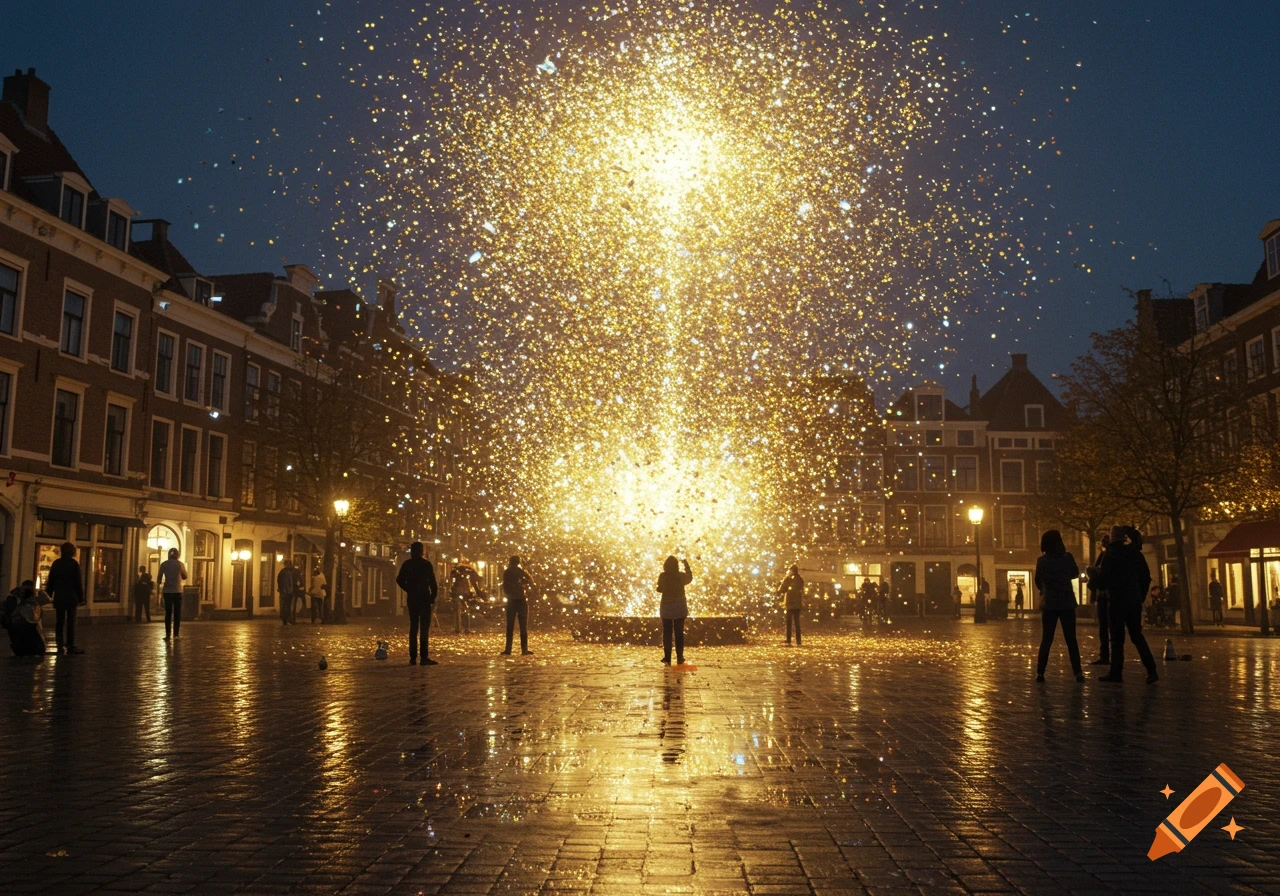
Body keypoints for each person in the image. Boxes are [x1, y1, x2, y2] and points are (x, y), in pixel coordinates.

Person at [1096, 526, 1158, 684]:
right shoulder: (1135, 554)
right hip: (1133, 600)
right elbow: (1145, 577)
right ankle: (1152, 670)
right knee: (1137, 635)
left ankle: (1116, 672)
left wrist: (1096, 579)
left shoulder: (1110, 555)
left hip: (1116, 600)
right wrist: (1140, 596)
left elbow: (1102, 582)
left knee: (1117, 639)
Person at [1034, 530, 1085, 682]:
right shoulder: (1067, 557)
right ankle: (1078, 672)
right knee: (1071, 639)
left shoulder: (1042, 561)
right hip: (1066, 602)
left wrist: (1046, 588)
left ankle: (1040, 672)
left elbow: (1038, 581)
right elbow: (1075, 573)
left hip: (1049, 603)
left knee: (1047, 639)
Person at [396, 542, 438, 665]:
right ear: (422, 551)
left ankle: (413, 656)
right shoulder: (426, 564)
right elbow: (432, 582)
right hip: (424, 597)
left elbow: (399, 579)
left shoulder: (407, 564)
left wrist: (408, 588)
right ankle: (424, 657)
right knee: (424, 627)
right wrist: (432, 597)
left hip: (412, 598)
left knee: (413, 627)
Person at [46, 542, 85, 655]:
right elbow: (78, 582)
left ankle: (59, 644)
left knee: (59, 621)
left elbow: (51, 581)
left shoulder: (56, 563)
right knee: (71, 621)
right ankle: (70, 645)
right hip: (71, 597)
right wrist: (81, 597)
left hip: (59, 596)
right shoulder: (74, 564)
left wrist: (49, 594)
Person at [657, 555, 692, 665]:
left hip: (667, 607)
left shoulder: (663, 576)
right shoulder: (680, 576)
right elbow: (689, 578)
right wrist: (686, 564)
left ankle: (667, 657)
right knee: (679, 633)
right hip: (679, 606)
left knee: (667, 632)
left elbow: (660, 588)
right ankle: (680, 657)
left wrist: (661, 588)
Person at [2, 580, 50, 657]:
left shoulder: (32, 600)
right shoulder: (15, 598)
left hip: (25, 625)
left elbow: (46, 600)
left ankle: (27, 649)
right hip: (19, 625)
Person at [501, 556, 534, 656]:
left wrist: (507, 593)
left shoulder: (507, 572)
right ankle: (524, 649)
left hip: (511, 600)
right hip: (521, 600)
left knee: (509, 626)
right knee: (523, 627)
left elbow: (505, 585)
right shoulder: (521, 571)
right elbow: (531, 581)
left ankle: (508, 649)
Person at [1086, 534, 1111, 665]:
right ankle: (1110, 656)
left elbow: (1097, 575)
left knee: (1104, 626)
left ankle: (1105, 655)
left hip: (1104, 595)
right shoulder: (1112, 555)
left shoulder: (1105, 556)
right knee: (1109, 627)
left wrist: (1092, 571)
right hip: (1111, 596)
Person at [157, 547, 188, 640]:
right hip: (177, 590)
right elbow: (184, 576)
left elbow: (158, 579)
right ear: (177, 555)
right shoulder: (180, 564)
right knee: (177, 613)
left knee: (168, 613)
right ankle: (176, 634)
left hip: (167, 591)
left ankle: (167, 634)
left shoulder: (164, 564)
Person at [776, 565, 804, 646]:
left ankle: (788, 640)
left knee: (789, 622)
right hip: (798, 603)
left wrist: (778, 591)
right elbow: (801, 589)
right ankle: (798, 640)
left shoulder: (788, 579)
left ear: (791, 570)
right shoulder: (800, 579)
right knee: (797, 622)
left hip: (790, 603)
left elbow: (782, 589)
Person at [450, 560, 480, 634]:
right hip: (460, 594)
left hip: (463, 594)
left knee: (463, 611)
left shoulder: (465, 574)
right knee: (461, 611)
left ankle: (463, 628)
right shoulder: (458, 574)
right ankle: (461, 628)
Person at [277, 558, 297, 625]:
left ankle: (285, 619)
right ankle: (288, 618)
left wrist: (280, 588)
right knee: (288, 605)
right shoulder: (290, 572)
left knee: (285, 605)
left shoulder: (282, 572)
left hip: (284, 592)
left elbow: (279, 581)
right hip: (288, 592)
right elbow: (292, 582)